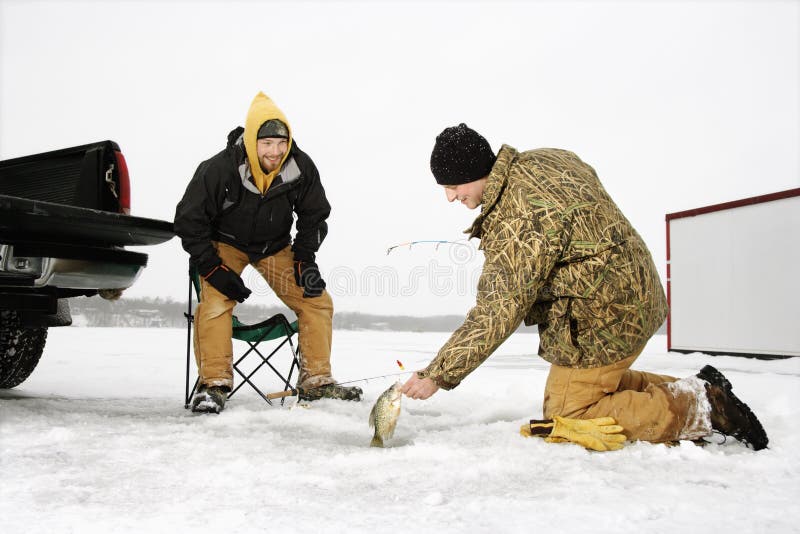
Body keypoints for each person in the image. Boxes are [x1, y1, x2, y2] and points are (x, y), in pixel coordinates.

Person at [401, 123, 768, 451]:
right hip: (637, 293)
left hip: (604, 318)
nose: (450, 197)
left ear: (474, 171)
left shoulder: (518, 216)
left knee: (570, 411)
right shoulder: (546, 159)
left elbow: (499, 308)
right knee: (588, 388)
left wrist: (439, 373)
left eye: (452, 186)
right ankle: (697, 386)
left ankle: (704, 405)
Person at [174, 91, 362, 413]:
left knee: (317, 301)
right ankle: (213, 385)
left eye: (281, 143)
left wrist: (305, 260)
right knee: (217, 303)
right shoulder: (218, 169)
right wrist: (213, 268)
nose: (275, 151)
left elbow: (314, 216)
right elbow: (189, 223)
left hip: (274, 247)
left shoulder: (300, 167)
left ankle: (316, 382)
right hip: (226, 243)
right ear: (251, 141)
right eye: (266, 143)